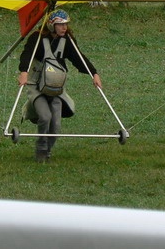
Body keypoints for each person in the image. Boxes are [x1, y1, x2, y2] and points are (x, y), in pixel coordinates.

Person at [18, 9, 102, 163]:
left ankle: (48, 150)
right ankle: (41, 148)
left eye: (66, 24)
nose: (64, 27)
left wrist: (93, 73)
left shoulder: (67, 40)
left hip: (56, 87)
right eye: (60, 24)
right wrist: (24, 72)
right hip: (36, 85)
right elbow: (27, 55)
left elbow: (79, 58)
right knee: (45, 116)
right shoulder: (37, 37)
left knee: (56, 125)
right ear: (51, 25)